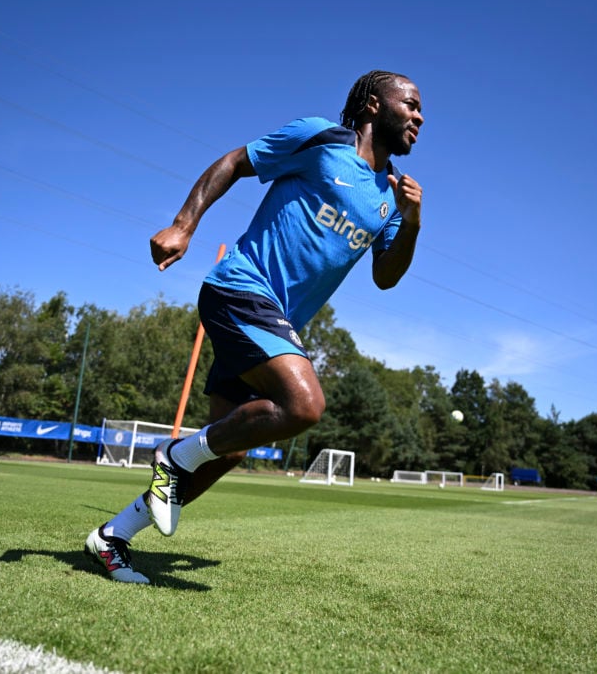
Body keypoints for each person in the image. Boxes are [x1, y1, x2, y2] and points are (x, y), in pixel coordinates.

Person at [84, 70, 425, 583]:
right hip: (241, 289)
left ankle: (112, 538)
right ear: (375, 105)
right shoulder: (321, 139)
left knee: (230, 448)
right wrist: (184, 224)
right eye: (412, 104)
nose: (419, 117)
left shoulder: (391, 196)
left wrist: (412, 222)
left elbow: (386, 276)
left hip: (273, 322)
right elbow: (235, 162)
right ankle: (173, 455)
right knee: (305, 405)